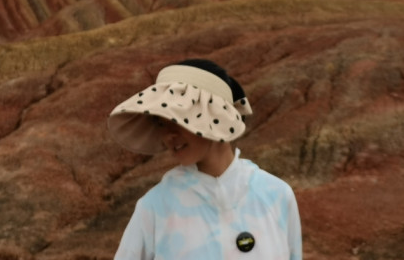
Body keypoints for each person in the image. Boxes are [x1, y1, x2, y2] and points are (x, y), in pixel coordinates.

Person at [107, 58, 302, 259]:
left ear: (214, 115)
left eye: (177, 118)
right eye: (161, 123)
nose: (168, 135)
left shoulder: (277, 196)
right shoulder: (155, 207)